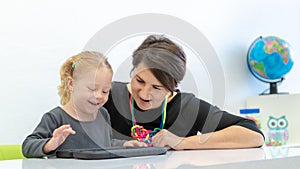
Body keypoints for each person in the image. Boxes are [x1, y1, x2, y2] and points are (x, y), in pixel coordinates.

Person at [103, 35, 265, 150]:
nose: (144, 94)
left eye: (157, 88)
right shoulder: (108, 95)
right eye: (139, 81)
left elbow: (253, 134)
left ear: (172, 86)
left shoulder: (186, 107)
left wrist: (181, 142)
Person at [22, 51, 145, 158]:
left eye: (105, 91)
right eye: (92, 89)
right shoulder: (56, 117)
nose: (99, 96)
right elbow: (27, 146)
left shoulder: (103, 114)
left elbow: (107, 143)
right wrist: (50, 144)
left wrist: (124, 144)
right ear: (71, 84)